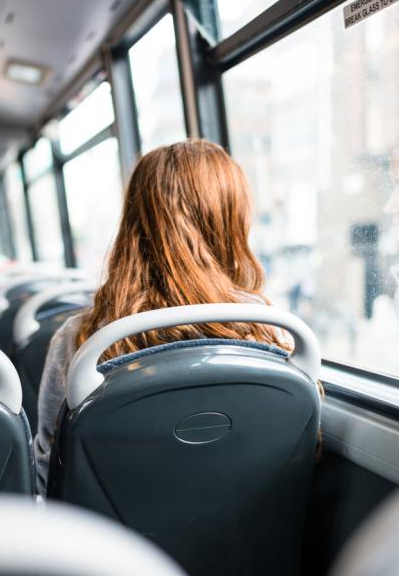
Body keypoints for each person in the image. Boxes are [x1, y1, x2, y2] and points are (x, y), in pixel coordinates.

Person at [35, 139, 298, 494]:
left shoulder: (81, 344)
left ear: (133, 223)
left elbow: (51, 470)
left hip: (110, 547)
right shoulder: (268, 330)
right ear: (231, 220)